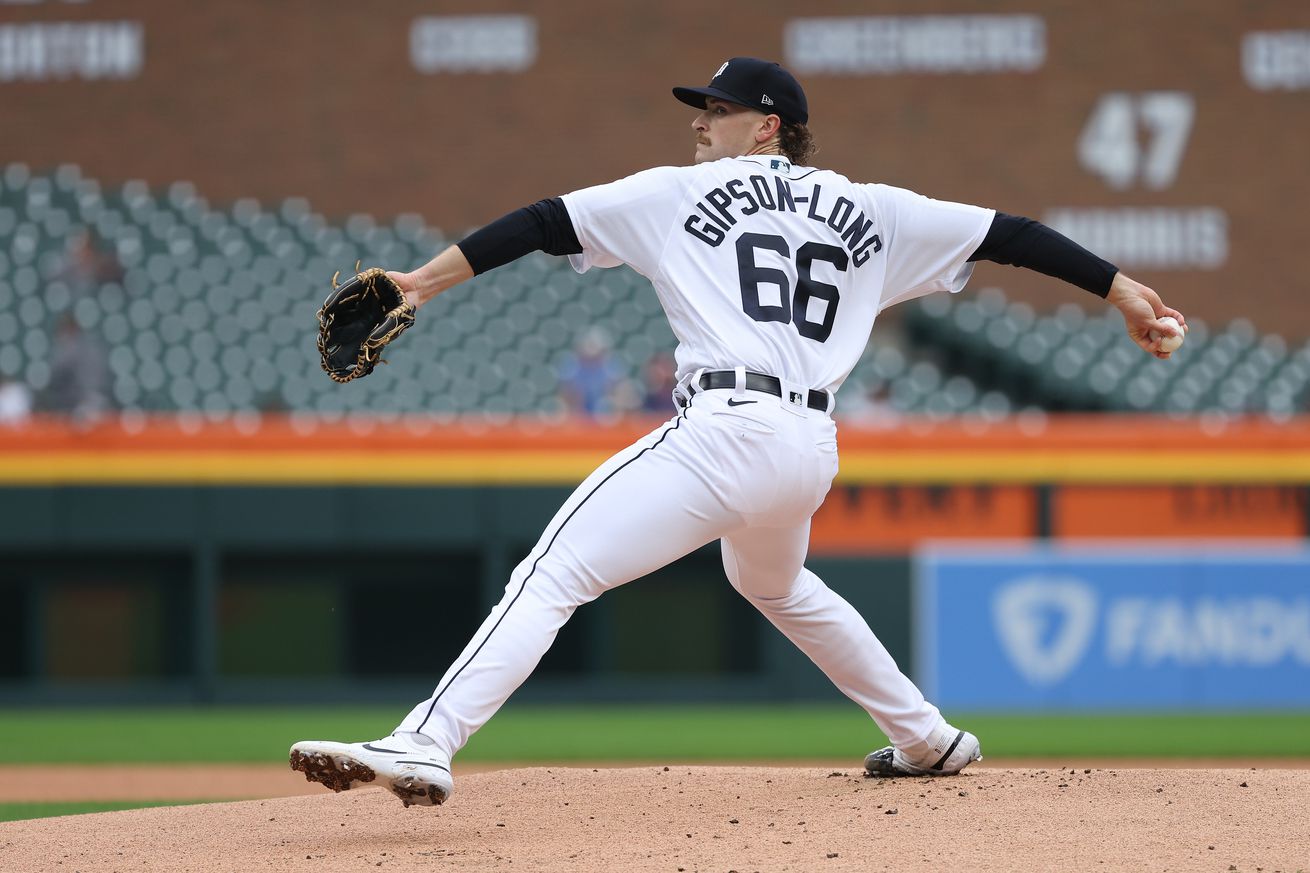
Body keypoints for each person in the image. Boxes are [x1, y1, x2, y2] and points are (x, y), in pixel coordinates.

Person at [290, 57, 1186, 807]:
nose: (699, 123)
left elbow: (540, 222)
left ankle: (424, 740)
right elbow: (1012, 234)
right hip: (807, 448)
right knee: (776, 581)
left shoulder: (680, 194)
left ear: (768, 126)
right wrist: (1121, 291)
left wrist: (418, 282)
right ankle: (927, 738)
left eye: (716, 110)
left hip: (727, 428)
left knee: (554, 571)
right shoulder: (870, 207)